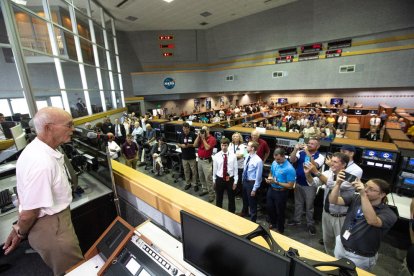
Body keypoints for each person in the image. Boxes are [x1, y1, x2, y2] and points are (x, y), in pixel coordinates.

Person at [2, 107, 83, 275]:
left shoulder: (40, 150)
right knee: (75, 271)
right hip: (52, 228)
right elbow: (29, 213)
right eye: (69, 125)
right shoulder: (42, 163)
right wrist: (19, 232)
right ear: (48, 128)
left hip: (53, 223)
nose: (73, 129)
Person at [330, 178, 397, 271]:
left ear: (382, 194)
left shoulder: (389, 214)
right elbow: (333, 200)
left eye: (371, 189)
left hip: (359, 257)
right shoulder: (356, 198)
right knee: (336, 271)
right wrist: (337, 184)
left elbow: (372, 221)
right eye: (365, 186)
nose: (365, 190)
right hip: (341, 245)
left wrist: (363, 195)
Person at [304, 152, 352, 255]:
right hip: (326, 213)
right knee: (327, 241)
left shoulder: (349, 178)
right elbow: (313, 183)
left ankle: (340, 263)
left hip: (340, 217)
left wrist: (317, 172)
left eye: (335, 162)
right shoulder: (328, 173)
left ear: (343, 165)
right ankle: (329, 258)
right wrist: (307, 173)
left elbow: (331, 185)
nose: (331, 164)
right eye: (331, 161)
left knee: (341, 244)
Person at [288, 138, 325, 235]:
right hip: (298, 182)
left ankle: (310, 224)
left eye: (312, 144)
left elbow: (314, 166)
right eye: (309, 143)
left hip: (310, 185)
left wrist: (307, 151)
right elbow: (292, 159)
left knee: (309, 206)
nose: (309, 145)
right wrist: (295, 149)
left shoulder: (320, 156)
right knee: (298, 203)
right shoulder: (301, 152)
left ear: (318, 146)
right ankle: (297, 219)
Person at [265, 148, 295, 234]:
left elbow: (290, 185)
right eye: (275, 158)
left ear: (283, 156)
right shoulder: (274, 162)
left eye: (278, 159)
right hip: (271, 189)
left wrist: (277, 182)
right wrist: (270, 178)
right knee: (270, 208)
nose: (276, 161)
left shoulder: (289, 169)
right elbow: (271, 172)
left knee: (280, 211)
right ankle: (273, 224)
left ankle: (280, 229)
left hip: (281, 192)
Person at [240, 141, 263, 222]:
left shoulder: (258, 160)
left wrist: (254, 189)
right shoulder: (247, 156)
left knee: (252, 203)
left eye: (248, 146)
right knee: (245, 200)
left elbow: (258, 177)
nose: (246, 147)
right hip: (245, 181)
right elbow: (245, 169)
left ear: (252, 148)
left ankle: (253, 220)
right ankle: (244, 213)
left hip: (252, 183)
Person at [212, 138, 238, 213]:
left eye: (225, 145)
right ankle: (218, 213)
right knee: (219, 198)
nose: (223, 147)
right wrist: (214, 180)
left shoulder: (233, 156)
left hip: (230, 179)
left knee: (231, 198)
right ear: (220, 145)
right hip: (219, 179)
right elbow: (215, 169)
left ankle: (231, 213)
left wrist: (235, 182)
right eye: (222, 145)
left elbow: (235, 169)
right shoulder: (216, 156)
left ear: (228, 146)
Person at [194, 126, 217, 202]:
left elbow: (207, 148)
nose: (204, 131)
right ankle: (204, 190)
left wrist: (203, 139)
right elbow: (194, 145)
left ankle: (211, 194)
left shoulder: (212, 139)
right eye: (202, 130)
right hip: (200, 160)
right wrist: (198, 136)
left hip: (207, 161)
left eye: (205, 130)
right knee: (201, 176)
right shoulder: (200, 137)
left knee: (208, 178)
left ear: (208, 130)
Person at [177, 122, 198, 191]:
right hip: (184, 157)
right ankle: (188, 183)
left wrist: (190, 145)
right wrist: (181, 145)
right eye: (183, 129)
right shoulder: (181, 135)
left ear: (189, 128)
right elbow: (178, 143)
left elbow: (196, 145)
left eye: (186, 128)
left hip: (192, 156)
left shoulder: (193, 135)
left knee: (194, 171)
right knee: (186, 171)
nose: (185, 130)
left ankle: (195, 184)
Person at [229, 132, 247, 197]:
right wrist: (237, 155)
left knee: (239, 181)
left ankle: (239, 194)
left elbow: (243, 155)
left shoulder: (244, 146)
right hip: (232, 166)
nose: (235, 137)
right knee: (232, 179)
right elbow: (228, 154)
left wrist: (234, 156)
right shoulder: (230, 145)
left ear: (240, 138)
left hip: (240, 166)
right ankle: (233, 191)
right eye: (234, 136)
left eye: (237, 136)